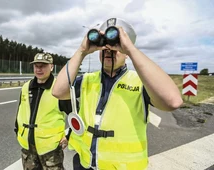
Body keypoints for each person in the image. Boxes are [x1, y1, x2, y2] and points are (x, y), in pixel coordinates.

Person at [52, 18, 183, 170]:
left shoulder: (140, 82)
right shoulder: (88, 79)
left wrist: (131, 50)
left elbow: (172, 101)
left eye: (114, 47)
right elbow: (58, 91)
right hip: (84, 164)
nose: (109, 50)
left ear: (125, 51)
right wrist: (81, 51)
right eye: (104, 48)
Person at [15, 53, 72, 170]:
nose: (39, 69)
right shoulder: (26, 87)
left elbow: (77, 115)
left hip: (51, 149)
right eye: (36, 66)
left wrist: (69, 136)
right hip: (28, 148)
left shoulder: (59, 88)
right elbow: (20, 111)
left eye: (43, 66)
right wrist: (17, 131)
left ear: (51, 67)